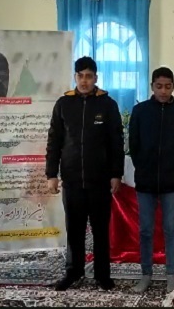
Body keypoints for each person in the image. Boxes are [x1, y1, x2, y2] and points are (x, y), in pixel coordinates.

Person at [45, 56, 124, 291]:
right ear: (75, 77)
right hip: (71, 180)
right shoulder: (63, 104)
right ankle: (74, 272)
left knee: (100, 230)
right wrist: (51, 174)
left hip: (100, 180)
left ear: (96, 78)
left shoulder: (107, 104)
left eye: (89, 76)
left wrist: (116, 174)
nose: (84, 81)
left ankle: (102, 275)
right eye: (80, 76)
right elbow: (54, 141)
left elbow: (116, 142)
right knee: (74, 229)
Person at [129, 67, 174, 293]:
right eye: (159, 86)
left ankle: (171, 274)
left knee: (170, 228)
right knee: (146, 229)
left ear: (173, 87)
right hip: (145, 182)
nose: (163, 91)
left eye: (167, 87)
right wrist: (143, 167)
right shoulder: (140, 111)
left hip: (171, 183)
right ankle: (146, 274)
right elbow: (133, 144)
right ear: (152, 87)